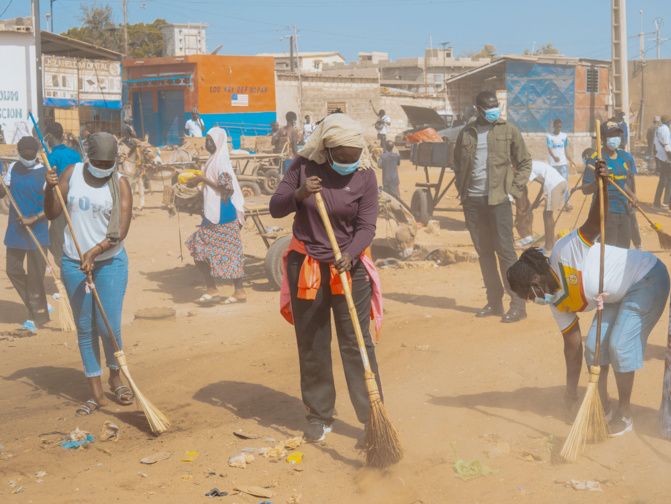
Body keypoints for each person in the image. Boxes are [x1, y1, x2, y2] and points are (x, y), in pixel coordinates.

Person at [507, 158, 670, 436]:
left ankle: (625, 414)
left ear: (535, 281)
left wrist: (602, 186)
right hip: (614, 296)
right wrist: (571, 394)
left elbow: (596, 222)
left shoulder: (564, 251)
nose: (531, 302)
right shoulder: (557, 303)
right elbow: (573, 350)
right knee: (594, 350)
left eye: (529, 295)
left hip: (646, 279)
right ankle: (602, 406)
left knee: (619, 345)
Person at [269, 113, 383, 446]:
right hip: (308, 266)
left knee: (356, 342)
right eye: (343, 159)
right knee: (314, 344)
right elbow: (276, 207)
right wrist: (301, 193)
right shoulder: (303, 166)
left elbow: (367, 227)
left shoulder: (365, 176)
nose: (350, 164)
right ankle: (319, 415)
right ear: (327, 151)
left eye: (355, 158)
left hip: (350, 267)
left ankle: (372, 417)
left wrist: (351, 252)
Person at [44, 132, 134, 416]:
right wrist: (51, 188)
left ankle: (115, 377)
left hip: (109, 262)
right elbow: (52, 213)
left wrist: (94, 253)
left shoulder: (120, 184)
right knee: (86, 329)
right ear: (86, 156)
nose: (103, 166)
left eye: (108, 163)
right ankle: (96, 392)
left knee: (108, 326)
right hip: (73, 263)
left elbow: (120, 232)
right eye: (97, 161)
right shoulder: (72, 173)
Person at [453, 90, 532, 323]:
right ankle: (494, 302)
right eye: (489, 107)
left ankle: (518, 305)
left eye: (496, 105)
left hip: (499, 202)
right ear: (478, 109)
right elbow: (458, 163)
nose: (494, 109)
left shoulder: (508, 130)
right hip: (473, 202)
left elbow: (525, 163)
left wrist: (513, 192)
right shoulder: (466, 133)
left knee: (506, 252)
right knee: (485, 253)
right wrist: (464, 191)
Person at [185, 127, 246, 305]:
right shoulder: (212, 159)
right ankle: (218, 289)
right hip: (214, 211)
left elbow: (227, 189)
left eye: (211, 141)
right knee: (204, 250)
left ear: (219, 142)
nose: (207, 144)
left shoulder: (221, 161)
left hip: (224, 212)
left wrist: (202, 179)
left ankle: (227, 290)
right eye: (206, 140)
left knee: (222, 251)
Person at [0, 137, 50, 333]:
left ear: (36, 154)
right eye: (23, 156)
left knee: (36, 276)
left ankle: (34, 316)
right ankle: (39, 303)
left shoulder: (46, 172)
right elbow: (3, 192)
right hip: (15, 231)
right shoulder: (13, 168)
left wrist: (34, 218)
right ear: (18, 154)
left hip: (37, 231)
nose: (26, 159)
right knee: (13, 270)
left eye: (29, 156)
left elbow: (54, 206)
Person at [581, 120, 637, 249]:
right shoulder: (596, 159)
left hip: (625, 211)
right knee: (608, 252)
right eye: (612, 135)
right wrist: (597, 181)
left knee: (623, 252)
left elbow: (621, 183)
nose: (616, 138)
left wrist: (632, 195)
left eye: (618, 135)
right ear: (604, 138)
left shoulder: (623, 156)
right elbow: (585, 190)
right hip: (607, 212)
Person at [45, 122, 83, 268]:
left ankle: (65, 274)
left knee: (56, 243)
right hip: (77, 205)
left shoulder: (51, 158)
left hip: (60, 206)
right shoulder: (74, 154)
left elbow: (48, 184)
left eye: (45, 135)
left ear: (50, 136)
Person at [527, 161, 568, 251]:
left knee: (547, 215)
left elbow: (543, 182)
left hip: (553, 185)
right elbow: (544, 183)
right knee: (548, 214)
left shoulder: (527, 168)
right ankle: (551, 243)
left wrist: (536, 201)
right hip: (561, 183)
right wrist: (536, 201)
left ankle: (549, 246)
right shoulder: (535, 164)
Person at [546, 118, 576, 209]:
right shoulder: (549, 136)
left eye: (560, 127)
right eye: (558, 127)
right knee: (553, 183)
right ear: (554, 126)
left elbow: (565, 149)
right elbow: (549, 148)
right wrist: (554, 157)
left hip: (563, 164)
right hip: (553, 165)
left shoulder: (564, 136)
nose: (559, 128)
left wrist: (570, 159)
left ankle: (567, 204)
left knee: (565, 183)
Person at [653, 115, 671, 211]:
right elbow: (667, 147)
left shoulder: (660, 129)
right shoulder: (665, 130)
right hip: (666, 159)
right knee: (667, 181)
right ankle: (665, 202)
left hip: (662, 158)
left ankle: (658, 202)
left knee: (663, 181)